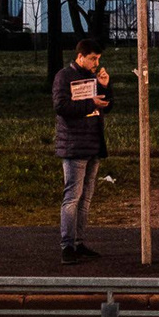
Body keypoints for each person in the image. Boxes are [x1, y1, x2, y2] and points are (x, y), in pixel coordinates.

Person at [51, 40, 111, 264]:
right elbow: (61, 107)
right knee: (72, 197)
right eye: (93, 59)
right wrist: (90, 103)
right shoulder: (64, 77)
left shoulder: (95, 76)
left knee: (85, 198)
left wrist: (105, 86)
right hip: (75, 145)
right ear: (81, 56)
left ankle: (79, 242)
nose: (96, 63)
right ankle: (67, 245)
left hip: (93, 144)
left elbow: (108, 104)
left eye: (98, 59)